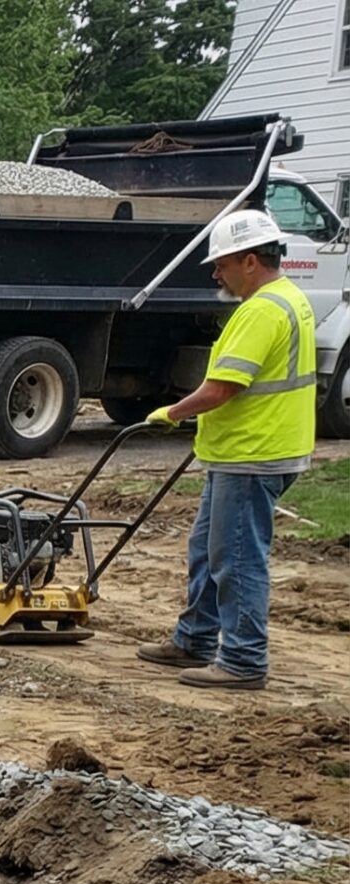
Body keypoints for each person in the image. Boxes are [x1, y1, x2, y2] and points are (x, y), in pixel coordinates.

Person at [133, 209, 318, 692]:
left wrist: (171, 412)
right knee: (207, 549)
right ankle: (195, 637)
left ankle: (242, 658)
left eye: (222, 265)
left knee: (236, 558)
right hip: (252, 449)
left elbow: (222, 387)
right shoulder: (288, 298)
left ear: (250, 261)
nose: (217, 274)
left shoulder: (262, 311)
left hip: (253, 453)